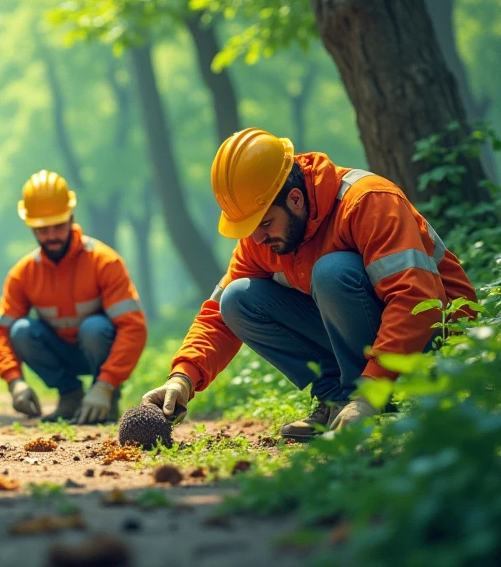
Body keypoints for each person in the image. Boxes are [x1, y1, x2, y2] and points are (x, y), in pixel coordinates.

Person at [142, 128, 477, 440]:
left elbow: (414, 298)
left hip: (434, 334)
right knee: (237, 298)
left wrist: (371, 392)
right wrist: (183, 377)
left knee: (331, 271)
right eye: (250, 228)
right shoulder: (262, 238)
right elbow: (218, 313)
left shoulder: (368, 201)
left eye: (265, 223)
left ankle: (367, 400)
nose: (258, 237)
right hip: (371, 336)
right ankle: (337, 402)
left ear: (296, 199)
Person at [0, 170, 147, 425]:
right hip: (61, 354)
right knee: (20, 330)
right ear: (31, 227)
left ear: (71, 218)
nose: (51, 236)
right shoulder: (23, 274)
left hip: (98, 351)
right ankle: (70, 396)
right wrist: (14, 381)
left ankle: (106, 400)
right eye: (42, 229)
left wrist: (105, 385)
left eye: (58, 226)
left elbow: (133, 327)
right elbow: (1, 333)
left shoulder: (104, 262)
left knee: (94, 327)